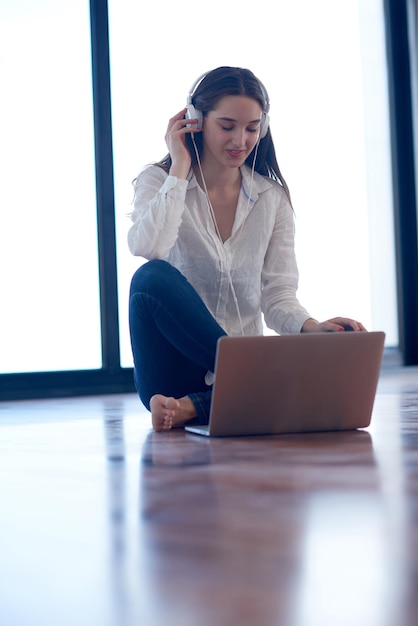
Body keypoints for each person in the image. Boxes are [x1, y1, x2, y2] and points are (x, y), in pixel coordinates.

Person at [128, 66, 366, 432]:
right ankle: (263, 383)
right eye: (227, 126)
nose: (240, 139)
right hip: (175, 371)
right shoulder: (159, 181)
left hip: (231, 383)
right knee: (150, 277)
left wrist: (311, 328)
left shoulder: (271, 200)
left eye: (252, 128)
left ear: (263, 128)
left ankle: (197, 407)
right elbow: (149, 246)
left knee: (306, 352)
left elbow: (278, 296)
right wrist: (178, 169)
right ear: (196, 120)